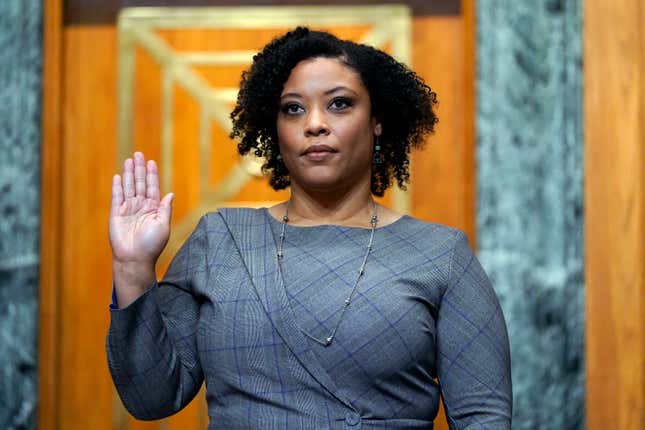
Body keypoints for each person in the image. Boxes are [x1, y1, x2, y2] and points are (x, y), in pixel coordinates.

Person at [107, 27, 512, 429]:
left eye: (339, 104)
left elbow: (483, 419)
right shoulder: (220, 239)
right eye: (293, 109)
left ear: (377, 122)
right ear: (274, 128)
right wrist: (132, 267)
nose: (314, 123)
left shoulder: (440, 254)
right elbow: (151, 398)